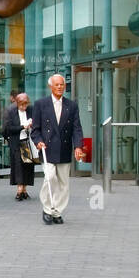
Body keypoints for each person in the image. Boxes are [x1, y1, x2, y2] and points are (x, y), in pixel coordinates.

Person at [30, 73, 85, 224]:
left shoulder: (72, 105)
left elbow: (77, 128)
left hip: (64, 148)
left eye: (62, 84)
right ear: (51, 87)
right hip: (47, 149)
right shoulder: (40, 104)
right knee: (49, 178)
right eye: (57, 85)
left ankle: (57, 211)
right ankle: (47, 209)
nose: (60, 87)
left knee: (63, 183)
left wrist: (78, 146)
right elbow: (35, 129)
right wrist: (38, 141)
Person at [2, 91, 36, 201]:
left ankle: (25, 189)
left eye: (26, 104)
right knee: (18, 165)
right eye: (22, 104)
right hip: (16, 141)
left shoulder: (31, 109)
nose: (24, 107)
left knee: (27, 165)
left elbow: (37, 123)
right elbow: (8, 128)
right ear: (17, 103)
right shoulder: (10, 111)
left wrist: (31, 123)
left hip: (27, 141)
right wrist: (22, 126)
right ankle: (19, 189)